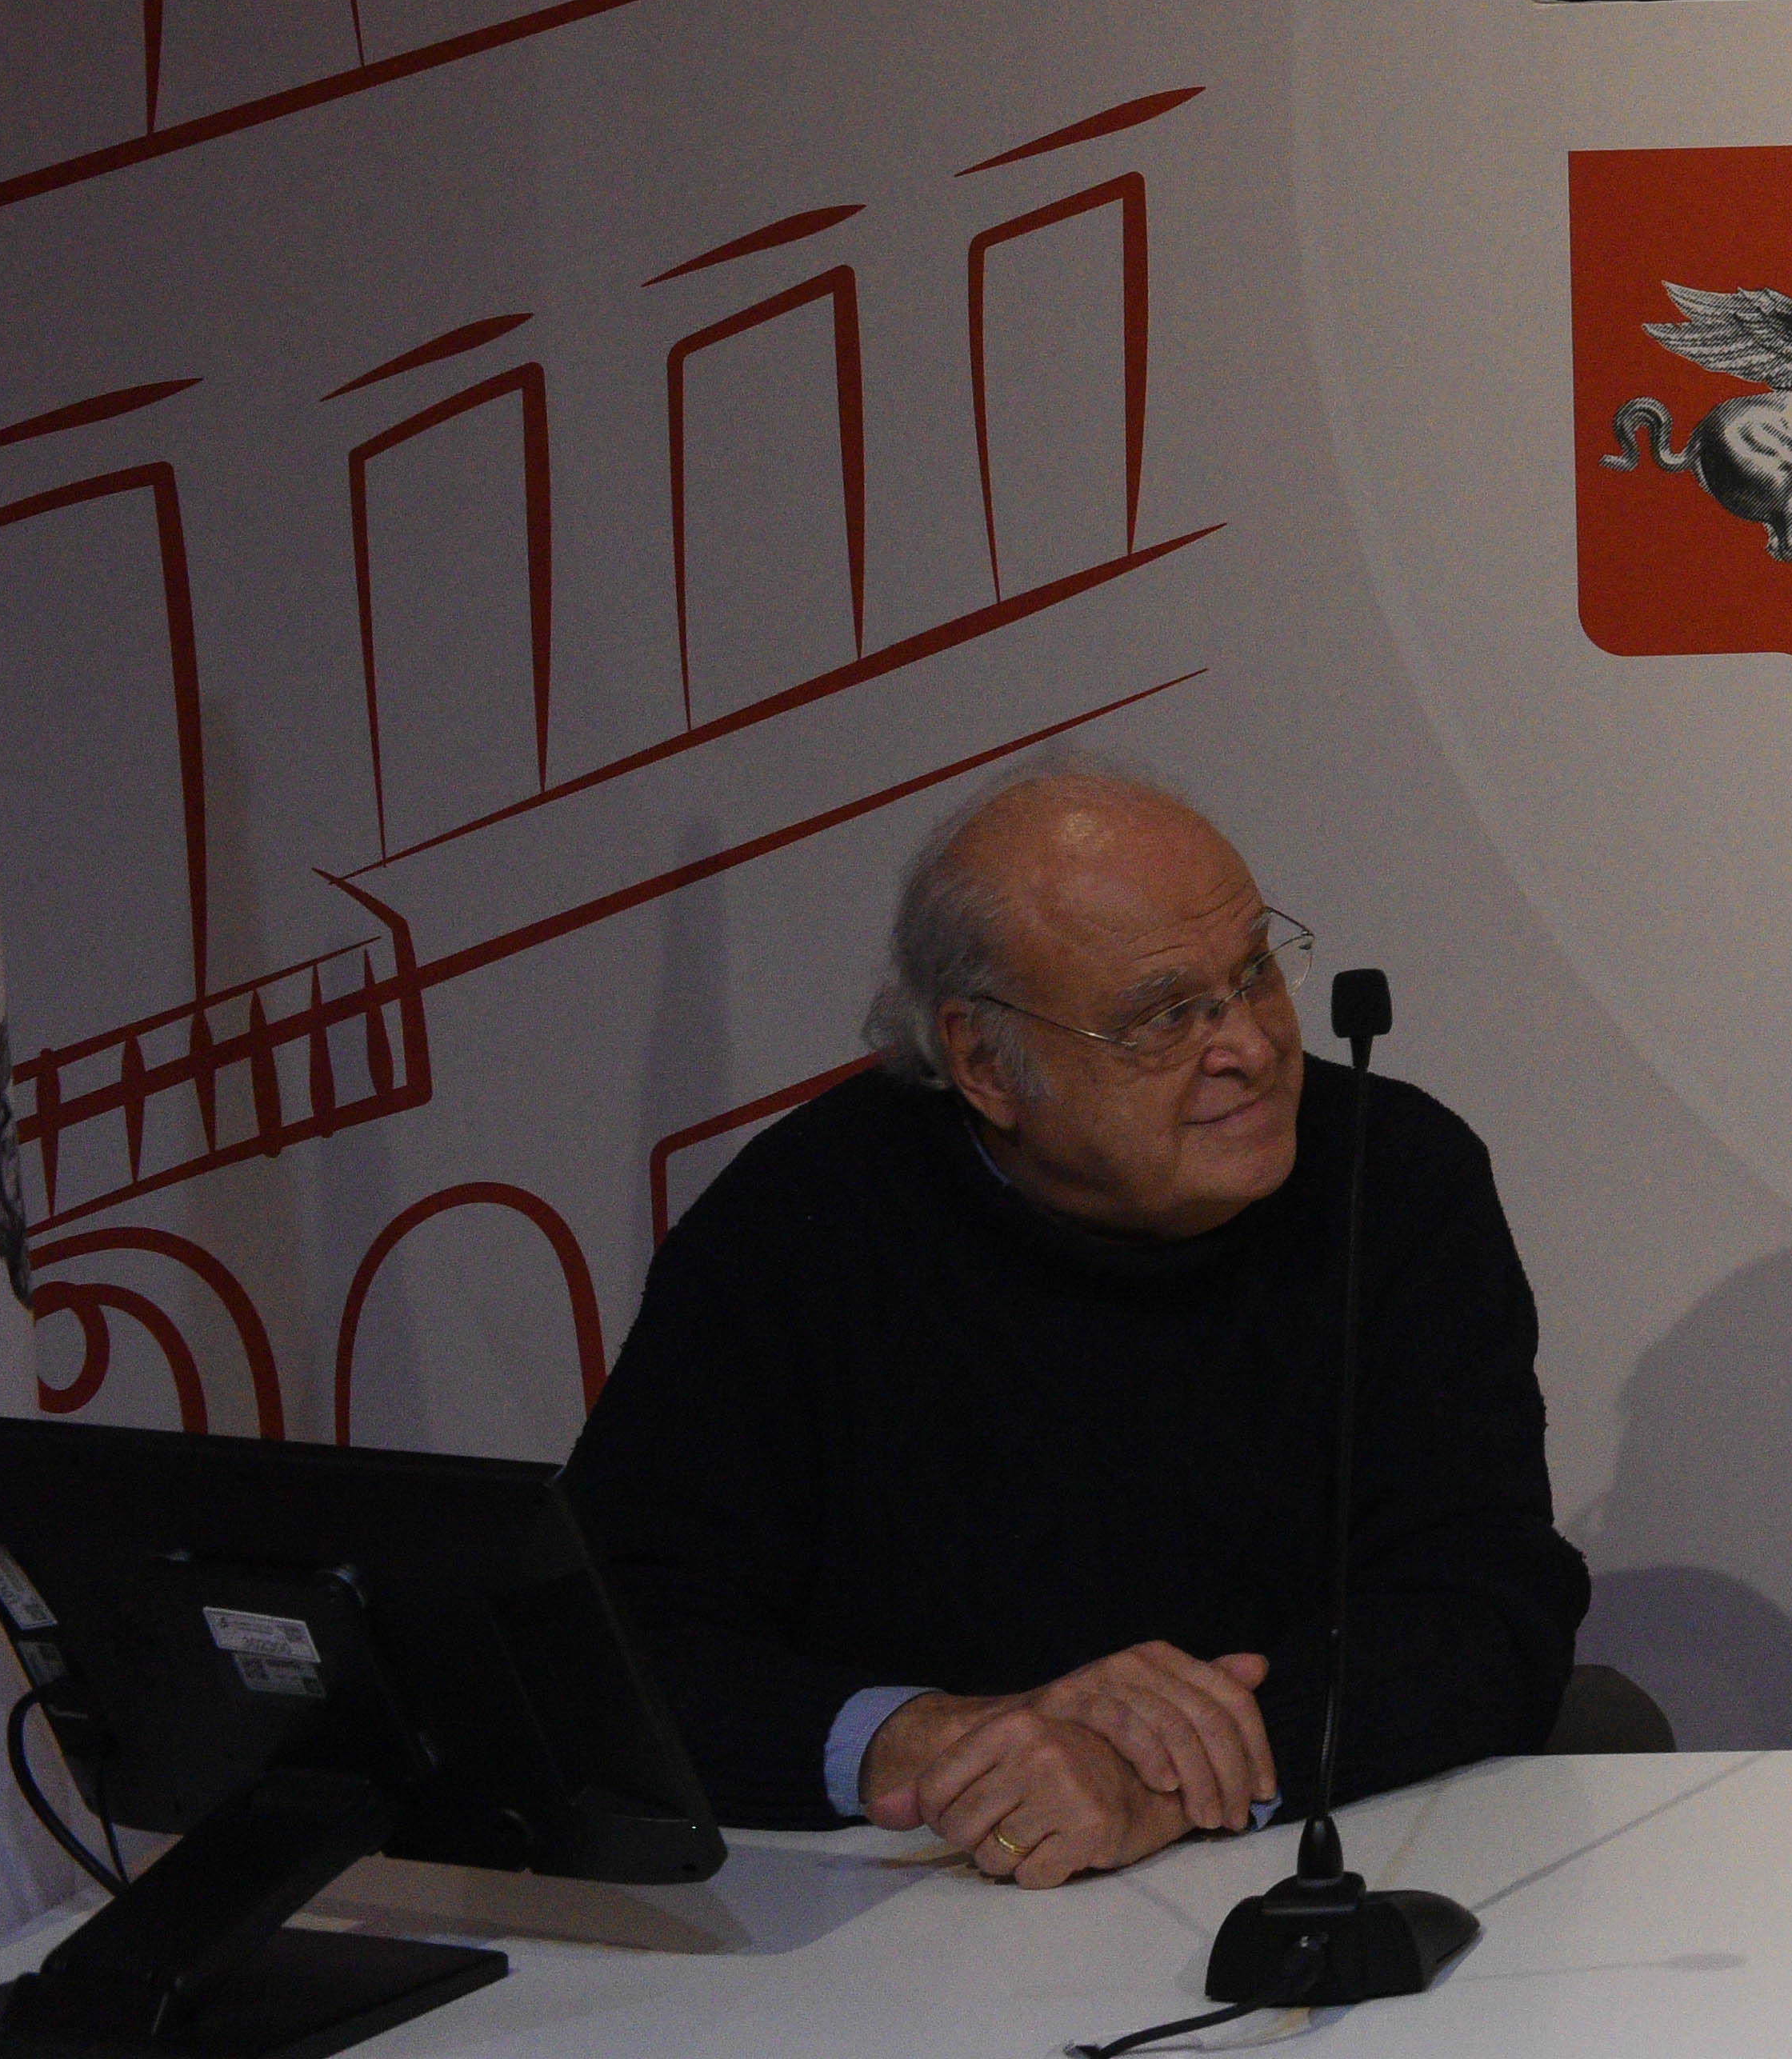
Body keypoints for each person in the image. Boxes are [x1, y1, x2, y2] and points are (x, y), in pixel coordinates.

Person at [562, 773, 1586, 1876]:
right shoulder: (800, 1223)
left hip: (1297, 1873)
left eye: (1254, 973)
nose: (1250, 1044)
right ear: (985, 1064)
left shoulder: (1394, 1177)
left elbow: (1486, 1606)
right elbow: (606, 1646)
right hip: (908, 1908)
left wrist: (1164, 1776)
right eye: (1165, 1016)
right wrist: (937, 1743)